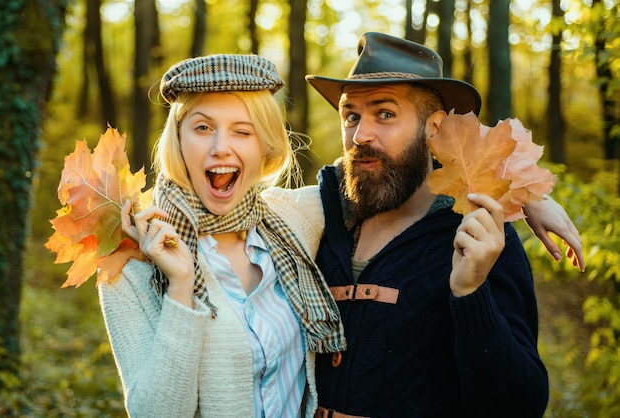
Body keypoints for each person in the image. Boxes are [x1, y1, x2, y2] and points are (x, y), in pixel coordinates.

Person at [305, 32, 578, 417]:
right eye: (351, 115)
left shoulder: (480, 234)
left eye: (385, 113)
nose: (360, 134)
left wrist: (470, 292)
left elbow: (520, 405)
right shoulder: (313, 221)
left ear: (433, 128)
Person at [98, 54, 345, 418]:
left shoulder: (292, 219)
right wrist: (180, 286)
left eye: (242, 131)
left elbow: (367, 172)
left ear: (266, 147)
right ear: (178, 141)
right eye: (202, 128)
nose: (220, 147)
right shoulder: (130, 265)